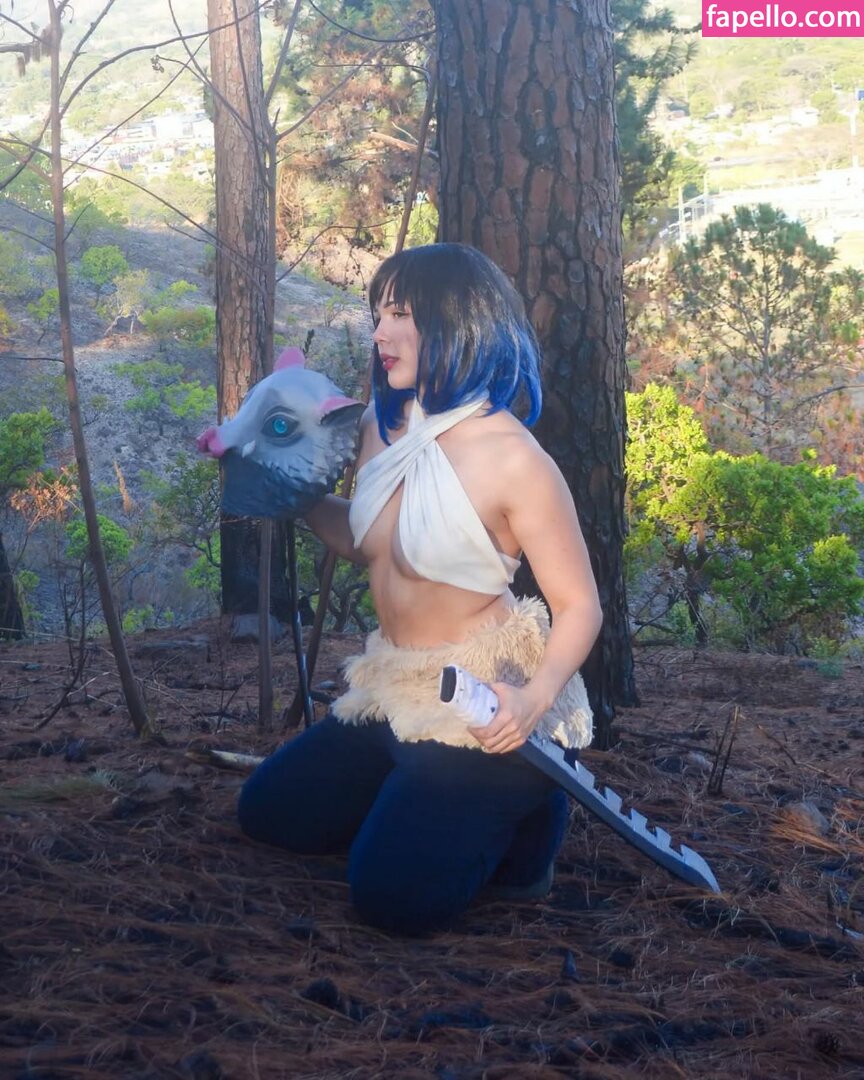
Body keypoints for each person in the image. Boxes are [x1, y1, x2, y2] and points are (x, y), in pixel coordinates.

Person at [237, 243, 603, 934]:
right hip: (394, 684)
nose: (379, 333)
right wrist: (293, 494)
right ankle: (413, 801)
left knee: (392, 901)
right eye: (377, 313)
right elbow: (372, 543)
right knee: (269, 816)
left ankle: (531, 805)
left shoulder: (514, 460)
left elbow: (580, 605)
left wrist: (531, 701)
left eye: (400, 314)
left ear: (459, 319)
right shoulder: (381, 426)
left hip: (481, 705)